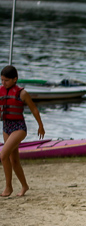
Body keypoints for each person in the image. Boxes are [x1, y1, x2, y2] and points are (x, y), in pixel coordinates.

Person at [0, 65, 45, 197]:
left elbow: (34, 110)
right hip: (6, 127)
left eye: (6, 80)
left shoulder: (22, 93)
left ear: (15, 79)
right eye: (2, 80)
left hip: (19, 128)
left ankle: (8, 187)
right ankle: (25, 186)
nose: (3, 83)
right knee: (13, 160)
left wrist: (40, 126)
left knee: (3, 155)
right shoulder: (0, 91)